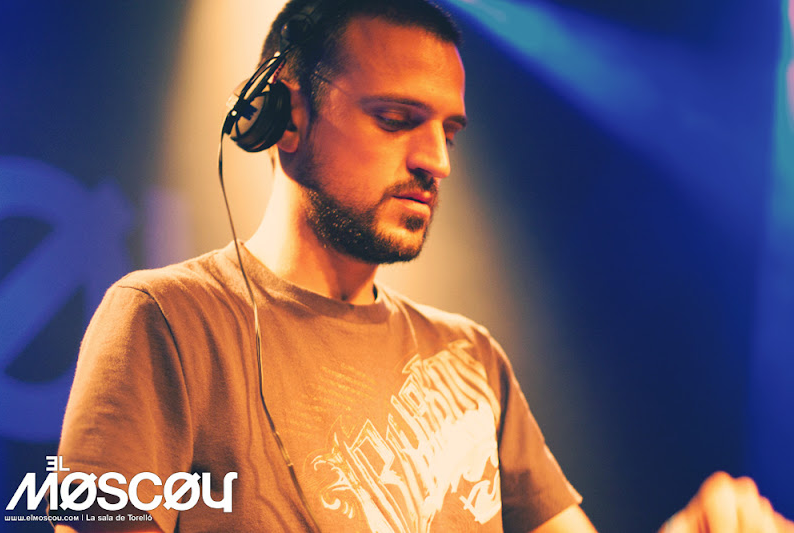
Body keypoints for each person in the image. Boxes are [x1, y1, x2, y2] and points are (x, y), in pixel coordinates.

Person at [54, 1, 794, 532]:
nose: (436, 161)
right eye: (398, 119)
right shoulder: (165, 319)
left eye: (449, 131)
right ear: (286, 117)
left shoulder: (472, 357)